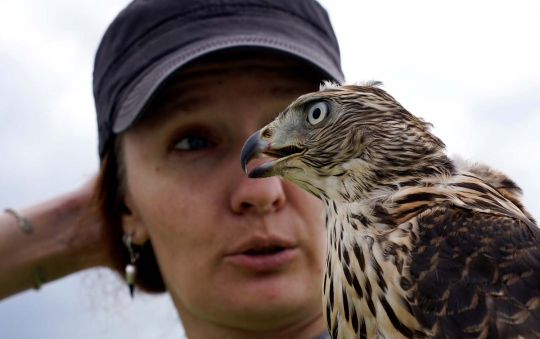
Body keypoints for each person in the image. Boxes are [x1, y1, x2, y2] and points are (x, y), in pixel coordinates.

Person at [0, 0, 345, 337]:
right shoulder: (121, 207)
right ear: (125, 204)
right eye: (194, 142)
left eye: (313, 124)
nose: (262, 193)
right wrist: (77, 220)